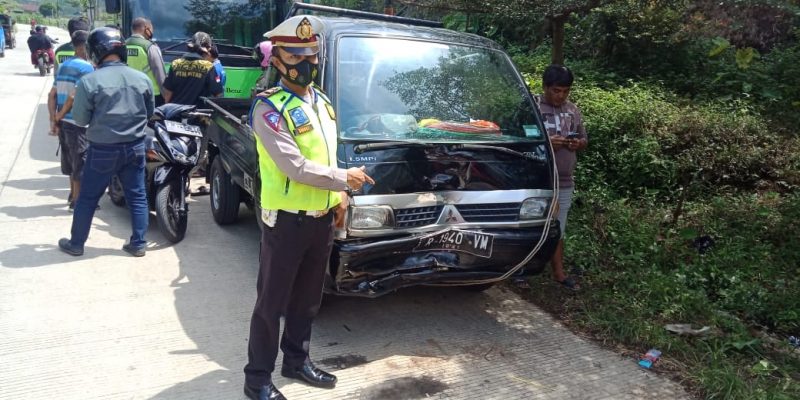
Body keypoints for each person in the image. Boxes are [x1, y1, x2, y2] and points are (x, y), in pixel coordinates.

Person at [242, 15, 374, 400]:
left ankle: (296, 361)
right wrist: (344, 179)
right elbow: (294, 166)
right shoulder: (268, 109)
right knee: (271, 304)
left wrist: (340, 197)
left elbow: (328, 154)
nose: (307, 63)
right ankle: (257, 380)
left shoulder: (324, 103)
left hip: (320, 221)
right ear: (278, 60)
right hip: (285, 222)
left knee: (308, 300)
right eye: (297, 55)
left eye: (312, 55)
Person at [57, 27, 154, 258]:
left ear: (95, 52)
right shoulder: (142, 78)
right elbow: (149, 112)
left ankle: (77, 243)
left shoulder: (89, 81)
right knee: (137, 196)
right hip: (135, 147)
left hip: (102, 150)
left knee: (88, 198)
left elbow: (80, 119)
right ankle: (138, 244)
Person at [537, 64, 588, 291]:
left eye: (565, 91)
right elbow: (523, 140)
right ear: (546, 87)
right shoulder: (534, 108)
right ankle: (521, 271)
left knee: (559, 227)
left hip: (565, 180)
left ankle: (558, 272)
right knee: (534, 223)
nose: (561, 95)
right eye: (556, 90)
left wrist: (578, 143)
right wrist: (548, 142)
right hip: (539, 179)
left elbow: (584, 139)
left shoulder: (573, 110)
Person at [47, 30, 94, 211]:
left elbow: (52, 95)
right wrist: (60, 115)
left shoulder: (64, 65)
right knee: (81, 163)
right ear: (84, 47)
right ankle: (77, 202)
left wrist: (55, 120)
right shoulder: (86, 68)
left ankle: (72, 196)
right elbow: (74, 96)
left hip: (65, 124)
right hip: (78, 123)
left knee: (70, 162)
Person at [162, 31, 223, 107]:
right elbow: (218, 94)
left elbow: (168, 93)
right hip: (198, 115)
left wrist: (166, 110)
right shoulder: (208, 66)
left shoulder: (175, 63)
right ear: (207, 49)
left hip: (175, 113)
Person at [126, 17, 167, 105]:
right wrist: (166, 96)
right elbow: (160, 74)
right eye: (151, 29)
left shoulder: (122, 45)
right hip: (151, 95)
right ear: (146, 28)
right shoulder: (150, 47)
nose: (152, 32)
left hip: (128, 94)